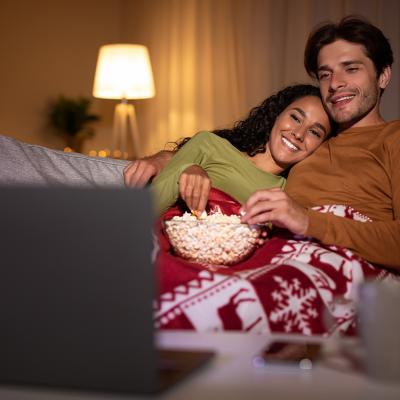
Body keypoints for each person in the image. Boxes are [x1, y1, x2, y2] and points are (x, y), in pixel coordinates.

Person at [125, 16, 400, 270]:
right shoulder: (313, 152)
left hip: (324, 267)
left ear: (383, 75)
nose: (336, 83)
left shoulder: (392, 138)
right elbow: (233, 160)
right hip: (266, 259)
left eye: (351, 69)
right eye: (325, 74)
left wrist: (306, 220)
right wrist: (171, 158)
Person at [151, 84, 331, 216]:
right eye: (296, 118)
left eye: (314, 132)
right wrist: (186, 170)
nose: (299, 134)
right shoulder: (209, 145)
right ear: (277, 114)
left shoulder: (289, 193)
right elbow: (149, 210)